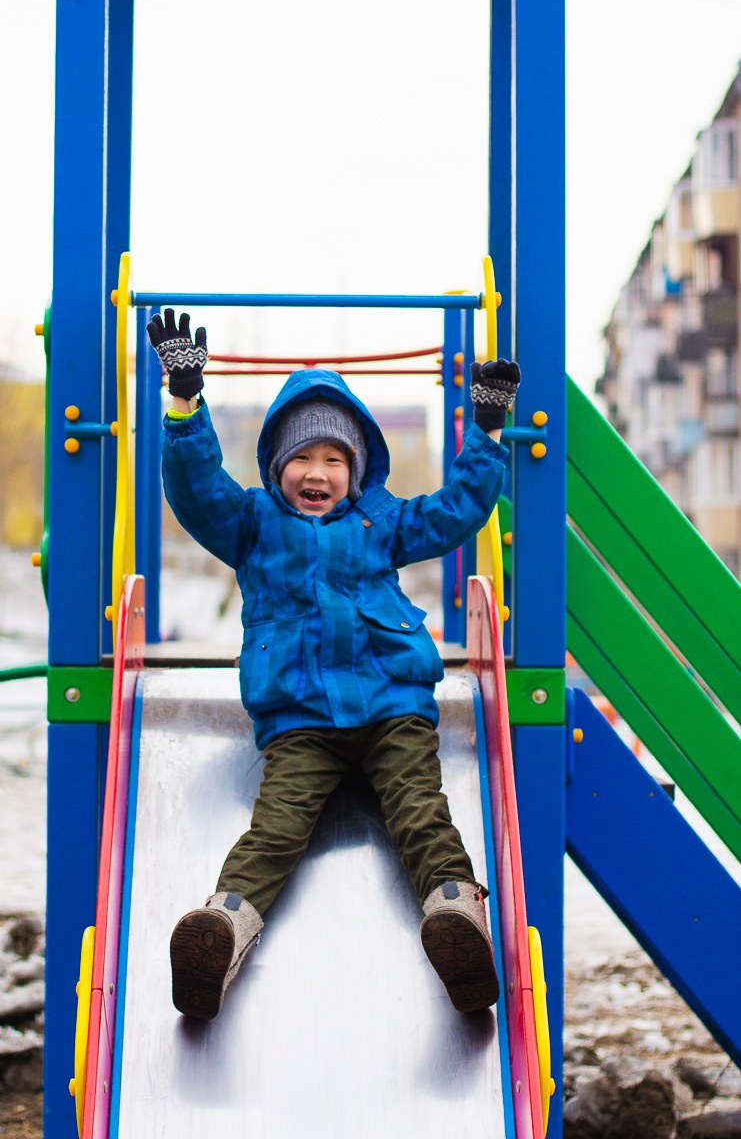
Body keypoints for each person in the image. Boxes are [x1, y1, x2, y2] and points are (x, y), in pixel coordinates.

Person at [148, 308, 520, 1022]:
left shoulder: (382, 523)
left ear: (356, 470)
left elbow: (455, 512)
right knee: (276, 827)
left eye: (334, 460)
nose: (316, 473)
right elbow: (195, 491)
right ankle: (222, 931)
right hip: (301, 722)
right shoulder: (253, 526)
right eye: (301, 459)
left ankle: (456, 917)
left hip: (391, 708)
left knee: (420, 812)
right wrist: (185, 402)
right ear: (276, 467)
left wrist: (487, 434)